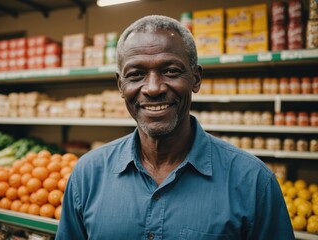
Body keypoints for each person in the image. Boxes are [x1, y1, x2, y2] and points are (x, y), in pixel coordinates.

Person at [56, 15, 294, 240]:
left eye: (170, 71)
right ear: (121, 85)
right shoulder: (87, 175)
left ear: (196, 78)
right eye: (136, 74)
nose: (153, 88)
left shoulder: (253, 182)